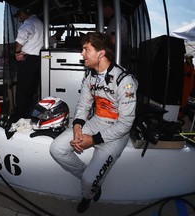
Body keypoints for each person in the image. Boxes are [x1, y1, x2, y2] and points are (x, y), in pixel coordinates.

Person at [49, 32, 138, 213]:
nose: (82, 54)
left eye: (85, 49)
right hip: (95, 121)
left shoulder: (125, 80)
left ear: (101, 53)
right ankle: (89, 178)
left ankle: (88, 193)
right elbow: (83, 105)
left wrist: (93, 140)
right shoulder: (90, 76)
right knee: (56, 149)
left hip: (116, 130)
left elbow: (125, 124)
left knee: (89, 181)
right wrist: (77, 127)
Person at [12, 7, 43, 122]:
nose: (19, 18)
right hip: (38, 60)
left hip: (28, 60)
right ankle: (29, 115)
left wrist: (17, 52)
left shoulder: (29, 22)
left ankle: (19, 118)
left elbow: (21, 37)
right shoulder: (40, 22)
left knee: (22, 91)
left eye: (20, 14)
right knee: (31, 91)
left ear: (26, 12)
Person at [103, 0, 128, 68]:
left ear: (108, 7)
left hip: (118, 53)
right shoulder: (114, 20)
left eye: (103, 9)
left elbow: (113, 40)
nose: (103, 12)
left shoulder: (118, 20)